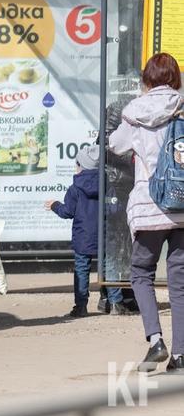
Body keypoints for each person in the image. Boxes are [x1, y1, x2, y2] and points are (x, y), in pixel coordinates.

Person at [108, 52, 184, 373]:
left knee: (140, 273)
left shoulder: (135, 113)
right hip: (182, 206)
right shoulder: (182, 108)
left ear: (147, 79)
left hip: (150, 206)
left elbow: (116, 145)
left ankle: (155, 340)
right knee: (180, 281)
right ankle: (180, 356)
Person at [45, 145, 127, 317]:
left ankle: (81, 306)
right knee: (110, 267)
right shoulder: (108, 185)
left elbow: (67, 212)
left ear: (80, 165)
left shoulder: (75, 189)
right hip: (106, 235)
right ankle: (115, 304)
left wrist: (55, 205)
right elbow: (115, 209)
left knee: (82, 269)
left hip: (84, 236)